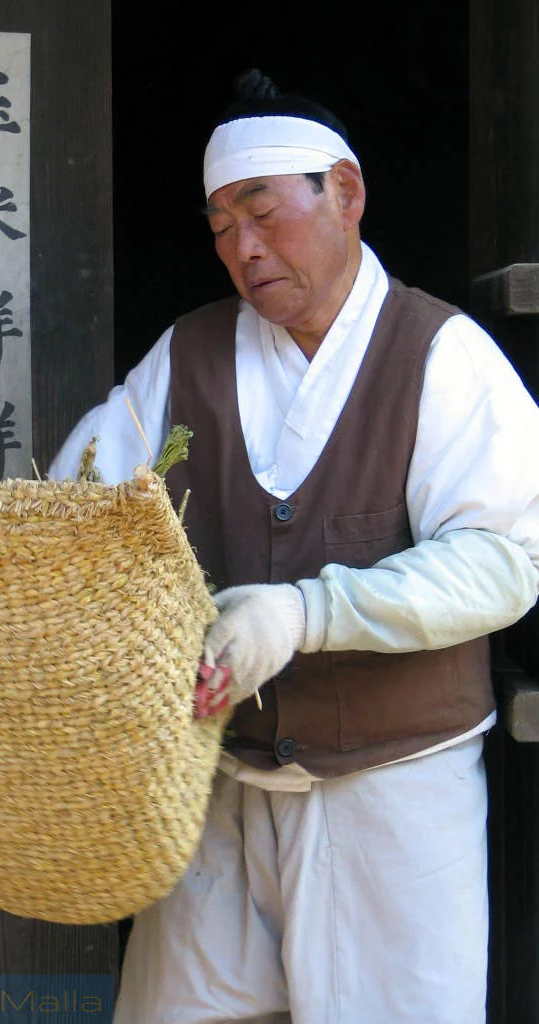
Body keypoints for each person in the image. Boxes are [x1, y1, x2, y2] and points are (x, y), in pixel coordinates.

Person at [49, 69, 539, 1024]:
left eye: (263, 212)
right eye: (222, 225)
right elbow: (72, 511)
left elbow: (506, 559)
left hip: (395, 804)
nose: (244, 248)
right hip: (221, 796)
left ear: (345, 193)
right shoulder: (187, 356)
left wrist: (307, 611)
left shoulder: (440, 356)